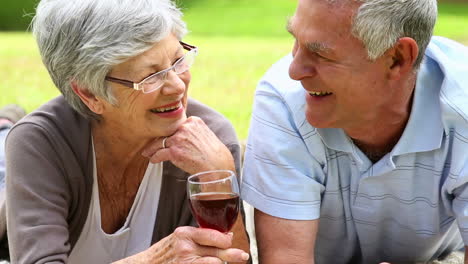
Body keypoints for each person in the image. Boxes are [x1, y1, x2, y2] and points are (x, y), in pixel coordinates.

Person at [4, 0, 250, 263]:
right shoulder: (40, 143)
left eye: (178, 61)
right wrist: (155, 259)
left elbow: (234, 258)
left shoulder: (210, 141)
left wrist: (220, 175)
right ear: (89, 93)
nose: (177, 86)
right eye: (150, 76)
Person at [241, 0, 468, 263]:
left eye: (321, 54)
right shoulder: (283, 100)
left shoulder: (462, 104)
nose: (294, 71)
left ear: (397, 58)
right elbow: (287, 258)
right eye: (296, 41)